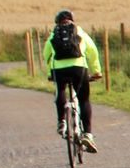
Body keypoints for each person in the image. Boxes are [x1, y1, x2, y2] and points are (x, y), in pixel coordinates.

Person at [42, 9, 103, 153]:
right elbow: (92, 51)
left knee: (61, 90)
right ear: (72, 20)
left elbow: (47, 55)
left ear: (57, 22)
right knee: (84, 99)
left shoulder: (53, 33)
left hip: (59, 70)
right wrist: (96, 71)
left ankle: (62, 121)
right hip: (79, 68)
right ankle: (87, 134)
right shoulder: (79, 31)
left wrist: (50, 72)